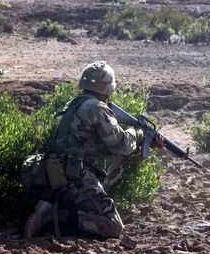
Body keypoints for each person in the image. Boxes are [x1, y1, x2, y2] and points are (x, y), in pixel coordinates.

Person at [23, 61, 162, 239]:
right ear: (108, 88)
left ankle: (51, 206)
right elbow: (122, 145)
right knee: (113, 227)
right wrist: (140, 133)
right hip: (77, 177)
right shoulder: (97, 108)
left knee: (117, 160)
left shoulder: (73, 104)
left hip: (55, 173)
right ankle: (56, 216)